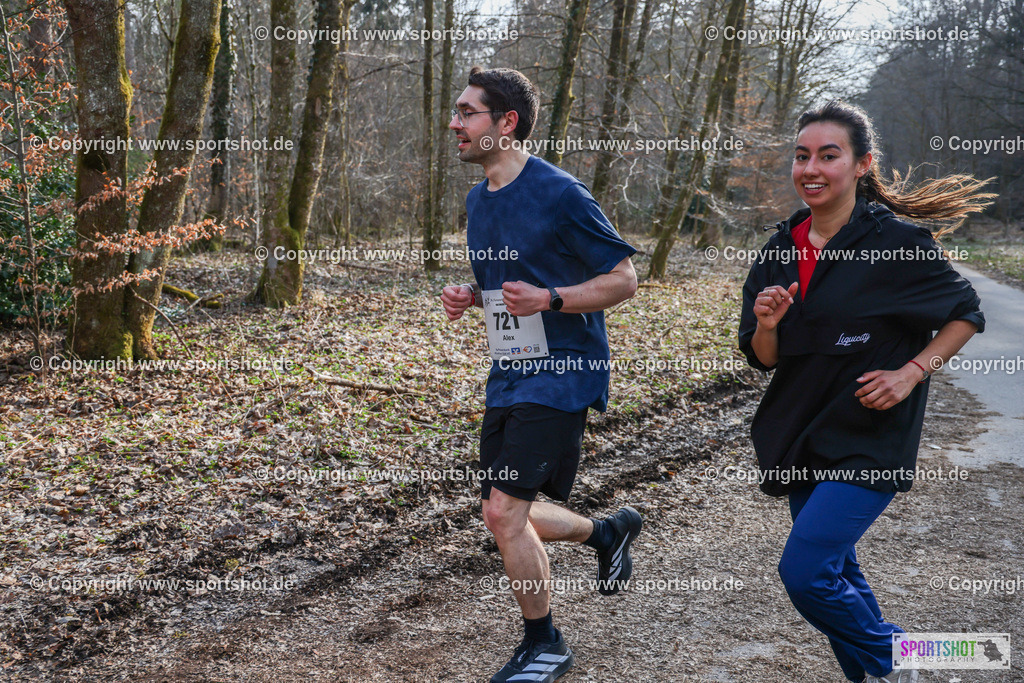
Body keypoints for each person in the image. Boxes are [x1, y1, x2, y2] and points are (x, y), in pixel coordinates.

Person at [738, 100, 994, 683]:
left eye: (829, 155)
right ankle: (883, 673)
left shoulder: (895, 243)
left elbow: (966, 314)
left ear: (861, 165)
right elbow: (760, 358)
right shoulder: (780, 248)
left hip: (871, 433)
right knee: (837, 572)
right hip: (801, 432)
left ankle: (918, 662)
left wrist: (911, 372)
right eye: (802, 156)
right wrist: (769, 324)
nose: (812, 168)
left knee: (804, 572)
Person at [439, 66, 642, 683]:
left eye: (468, 113)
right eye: (456, 111)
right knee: (503, 512)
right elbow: (510, 282)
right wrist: (475, 296)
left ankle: (544, 643)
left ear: (507, 123)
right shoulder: (479, 199)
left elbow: (624, 279)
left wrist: (552, 299)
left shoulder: (562, 193)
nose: (455, 123)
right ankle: (606, 532)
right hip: (510, 370)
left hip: (563, 373)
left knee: (504, 513)